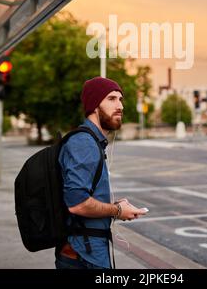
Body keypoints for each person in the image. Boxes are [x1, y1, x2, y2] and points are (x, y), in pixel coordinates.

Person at [55, 76, 147, 269]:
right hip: (84, 255)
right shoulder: (84, 143)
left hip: (88, 251)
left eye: (120, 99)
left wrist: (114, 206)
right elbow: (77, 204)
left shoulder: (92, 142)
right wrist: (118, 211)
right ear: (95, 105)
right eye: (112, 99)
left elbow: (82, 197)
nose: (120, 105)